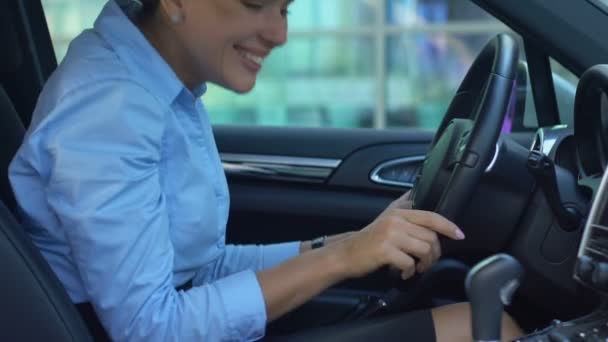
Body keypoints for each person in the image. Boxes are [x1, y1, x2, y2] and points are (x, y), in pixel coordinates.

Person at [8, 0, 523, 341]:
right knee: (487, 327)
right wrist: (341, 259)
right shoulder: (109, 108)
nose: (279, 32)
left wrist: (351, 244)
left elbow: (200, 269)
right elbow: (150, 328)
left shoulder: (159, 87)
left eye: (285, 7)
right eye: (256, 2)